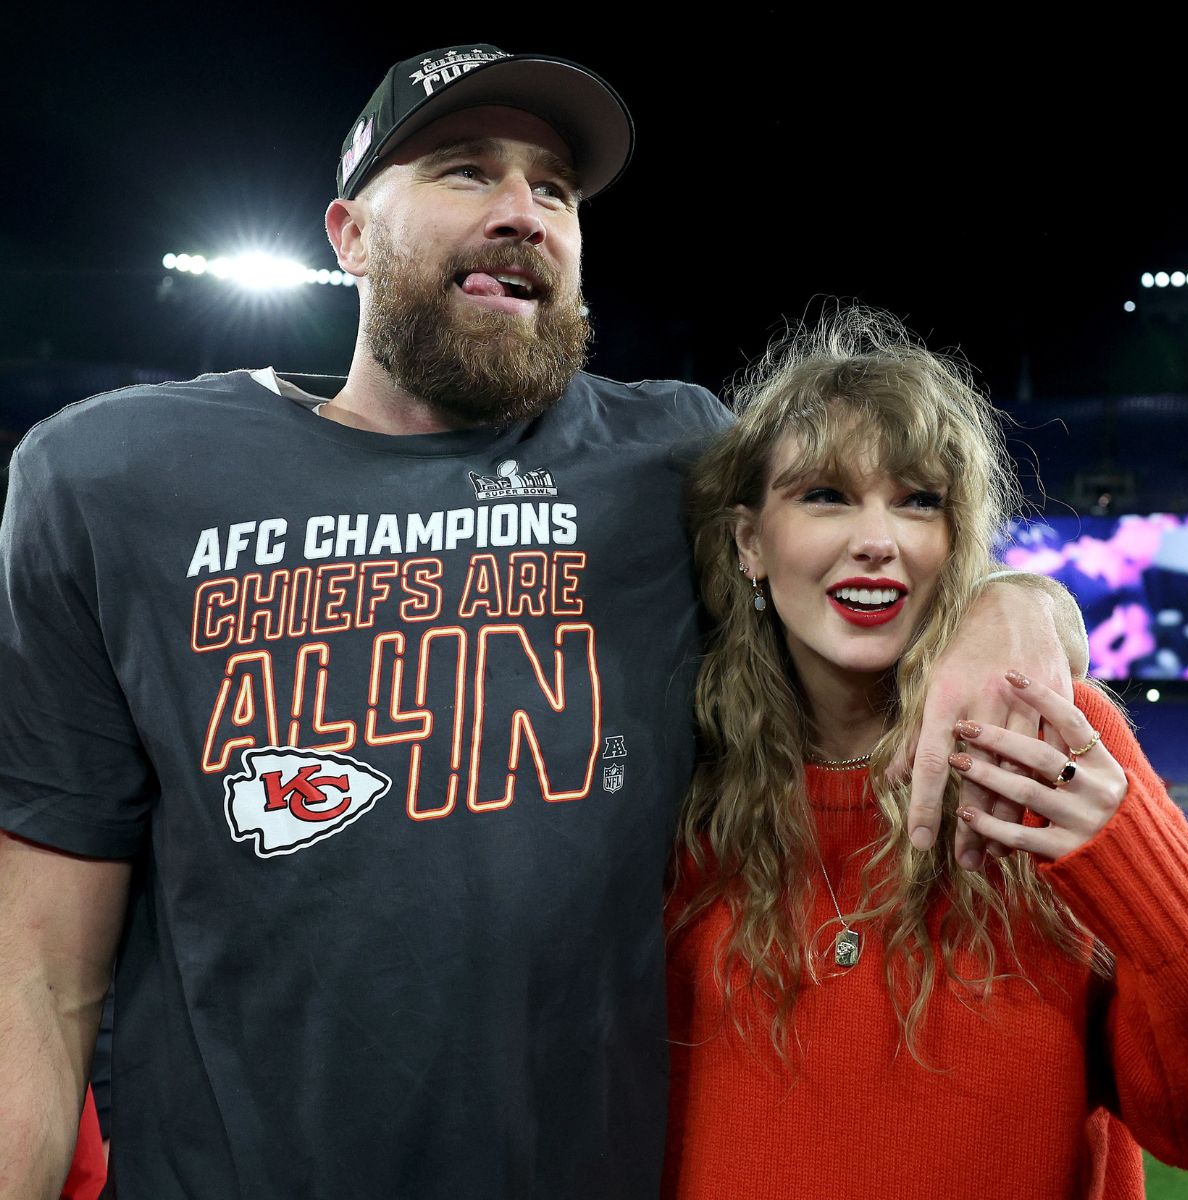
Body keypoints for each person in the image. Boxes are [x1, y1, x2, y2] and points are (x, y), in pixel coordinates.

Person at [0, 46, 1079, 1200]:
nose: (524, 212)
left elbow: (869, 557)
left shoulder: (669, 457)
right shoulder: (113, 479)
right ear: (349, 235)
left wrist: (1018, 602)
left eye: (556, 189)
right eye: (465, 171)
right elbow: (38, 975)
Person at [663, 309, 1188, 1199]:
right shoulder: (678, 775)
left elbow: (1187, 1125)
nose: (879, 538)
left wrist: (1145, 873)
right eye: (825, 494)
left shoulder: (1052, 742)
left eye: (919, 499)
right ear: (750, 543)